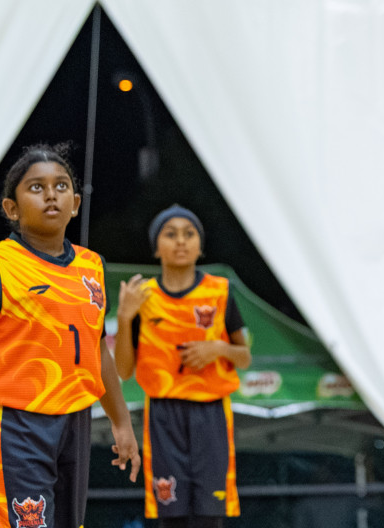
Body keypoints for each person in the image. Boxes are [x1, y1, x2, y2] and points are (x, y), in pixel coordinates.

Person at [0, 145, 140, 528]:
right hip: (13, 424)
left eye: (61, 186)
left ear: (74, 203)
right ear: (11, 209)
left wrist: (121, 423)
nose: (50, 193)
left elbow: (96, 350)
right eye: (36, 187)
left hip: (75, 420)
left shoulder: (92, 267)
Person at [114, 205, 251, 527]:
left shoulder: (220, 291)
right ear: (155, 246)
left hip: (211, 414)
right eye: (170, 234)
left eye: (189, 234)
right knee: (170, 515)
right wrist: (124, 317)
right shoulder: (143, 296)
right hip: (163, 415)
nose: (180, 241)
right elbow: (123, 370)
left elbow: (244, 357)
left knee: (209, 514)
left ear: (200, 246)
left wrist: (218, 349)